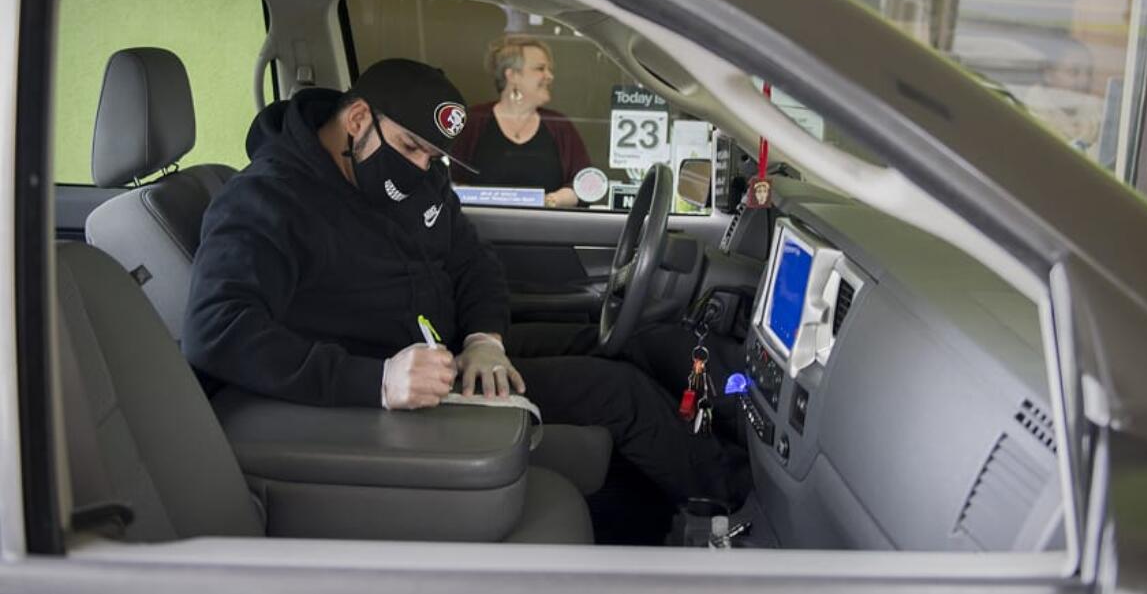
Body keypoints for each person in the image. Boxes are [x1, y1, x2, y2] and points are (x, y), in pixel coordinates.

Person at [183, 58, 748, 519]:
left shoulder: (418, 179)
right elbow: (217, 330)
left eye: (433, 155)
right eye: (410, 148)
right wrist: (377, 380)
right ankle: (735, 504)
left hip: (454, 351)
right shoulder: (268, 201)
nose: (424, 167)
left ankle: (745, 429)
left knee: (644, 338)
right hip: (396, 393)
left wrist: (486, 339)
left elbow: (474, 262)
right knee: (620, 392)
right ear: (357, 120)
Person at [450, 35, 590, 208]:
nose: (549, 76)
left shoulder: (560, 126)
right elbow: (450, 181)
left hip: (547, 230)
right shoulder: (473, 122)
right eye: (540, 68)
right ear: (513, 75)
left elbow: (583, 186)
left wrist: (549, 201)